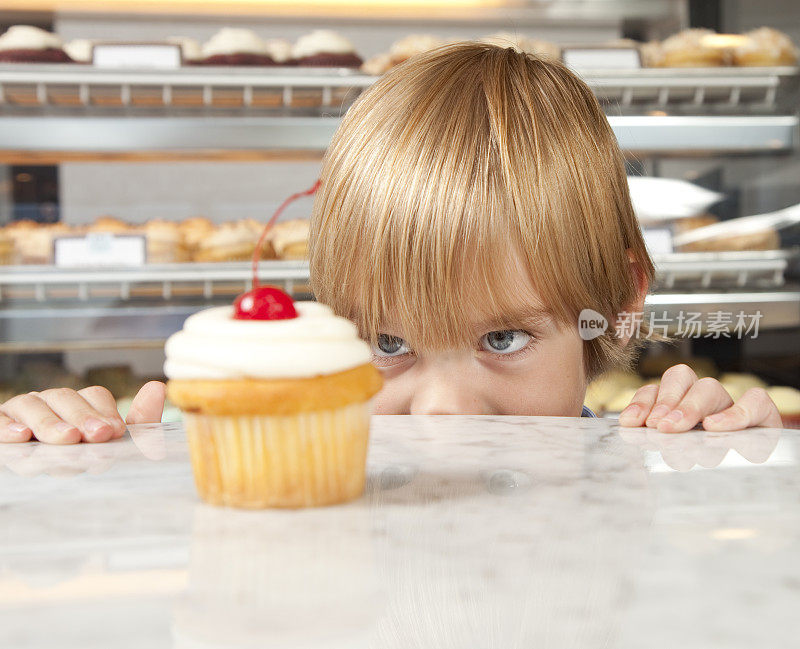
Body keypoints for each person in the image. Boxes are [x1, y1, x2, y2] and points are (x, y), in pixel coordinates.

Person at [0, 43, 782, 445]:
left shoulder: (645, 458)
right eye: (388, 339)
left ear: (616, 306)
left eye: (502, 337)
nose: (441, 412)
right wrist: (78, 447)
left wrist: (720, 461)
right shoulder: (298, 473)